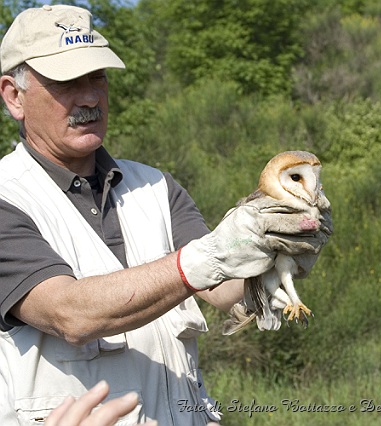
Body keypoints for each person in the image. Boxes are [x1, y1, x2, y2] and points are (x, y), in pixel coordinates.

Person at [0, 4, 331, 426]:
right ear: (14, 96)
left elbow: (223, 289)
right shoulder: (7, 197)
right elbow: (70, 313)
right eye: (66, 81)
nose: (89, 97)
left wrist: (275, 246)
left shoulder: (155, 186)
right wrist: (206, 257)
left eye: (96, 77)